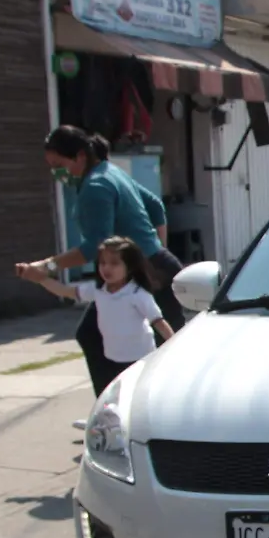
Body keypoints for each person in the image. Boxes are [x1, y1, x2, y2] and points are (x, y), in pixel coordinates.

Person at [16, 126, 187, 397]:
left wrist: (47, 266)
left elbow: (94, 245)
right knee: (141, 341)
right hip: (153, 267)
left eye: (59, 165)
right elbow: (155, 206)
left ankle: (116, 408)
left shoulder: (96, 186)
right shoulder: (110, 171)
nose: (57, 174)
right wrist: (155, 250)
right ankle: (124, 407)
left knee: (117, 339)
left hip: (141, 274)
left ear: (80, 156)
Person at [24, 236, 174, 393]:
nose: (107, 268)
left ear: (129, 267)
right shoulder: (98, 291)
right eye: (103, 263)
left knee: (137, 397)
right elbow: (65, 291)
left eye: (114, 263)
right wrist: (40, 279)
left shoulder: (137, 294)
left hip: (140, 359)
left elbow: (158, 322)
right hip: (112, 359)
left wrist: (173, 345)